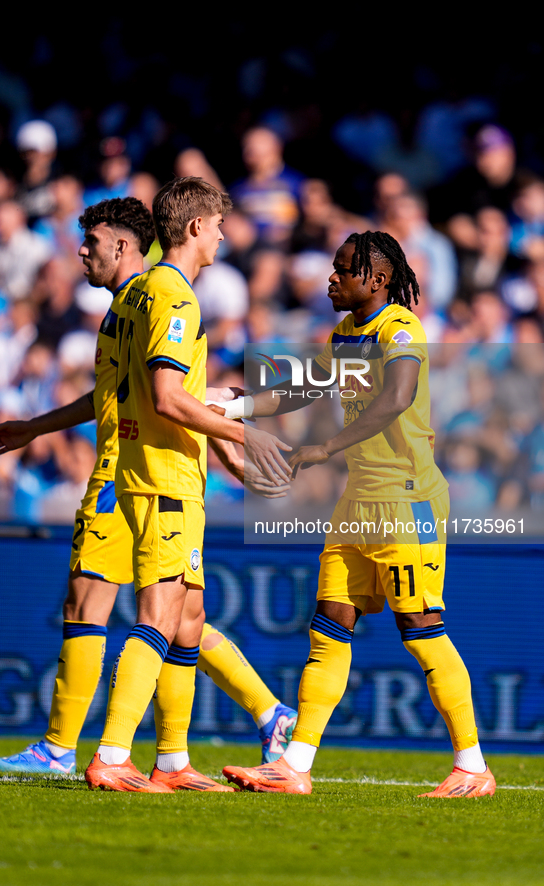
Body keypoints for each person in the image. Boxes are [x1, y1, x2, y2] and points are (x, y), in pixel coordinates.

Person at [0, 195, 296, 788]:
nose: (81, 252)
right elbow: (137, 395)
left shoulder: (153, 296)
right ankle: (138, 751)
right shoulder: (140, 301)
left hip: (141, 470)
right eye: (219, 226)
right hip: (142, 470)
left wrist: (228, 440)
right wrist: (36, 426)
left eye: (91, 242)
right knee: (158, 612)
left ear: (123, 243)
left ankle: (154, 750)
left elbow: (169, 394)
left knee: (169, 613)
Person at [222, 231, 496, 799]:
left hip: (408, 499)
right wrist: (237, 404)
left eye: (343, 269)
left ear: (377, 279)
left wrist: (325, 448)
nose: (331, 278)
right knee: (329, 626)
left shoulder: (401, 330)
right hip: (360, 501)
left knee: (421, 631)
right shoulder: (345, 334)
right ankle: (294, 766)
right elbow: (304, 384)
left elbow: (396, 398)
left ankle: (472, 767)